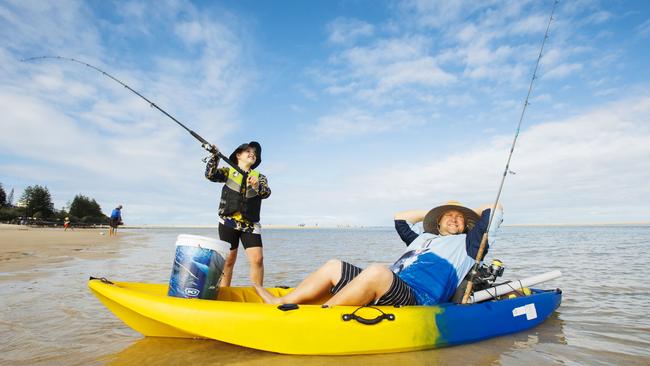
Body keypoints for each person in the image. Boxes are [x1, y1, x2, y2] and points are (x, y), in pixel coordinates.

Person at [254, 201, 503, 307]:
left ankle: (324, 316)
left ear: (466, 226)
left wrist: (461, 207)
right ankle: (281, 302)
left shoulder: (469, 243)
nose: (454, 219)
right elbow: (400, 218)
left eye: (459, 218)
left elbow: (495, 208)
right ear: (436, 224)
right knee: (333, 266)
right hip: (391, 285)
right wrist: (435, 210)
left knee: (377, 271)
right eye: (448, 216)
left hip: (419, 296)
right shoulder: (424, 238)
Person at [205, 141, 271, 287]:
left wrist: (256, 186)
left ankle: (258, 293)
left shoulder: (260, 177)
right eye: (248, 151)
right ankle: (224, 291)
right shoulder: (228, 172)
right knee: (229, 260)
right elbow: (210, 175)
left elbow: (266, 193)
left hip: (250, 225)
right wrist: (215, 157)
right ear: (238, 155)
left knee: (257, 259)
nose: (252, 153)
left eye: (254, 153)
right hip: (228, 222)